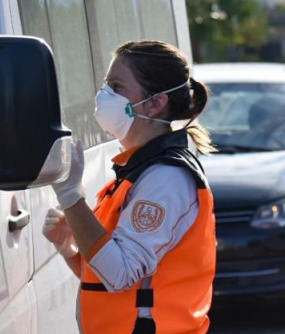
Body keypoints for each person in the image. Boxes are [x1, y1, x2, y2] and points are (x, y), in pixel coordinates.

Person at [43, 40, 216, 334]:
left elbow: (120, 274)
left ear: (155, 102)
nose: (103, 95)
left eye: (116, 86)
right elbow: (108, 279)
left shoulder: (166, 179)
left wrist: (71, 197)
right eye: (106, 84)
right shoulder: (137, 171)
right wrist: (70, 249)